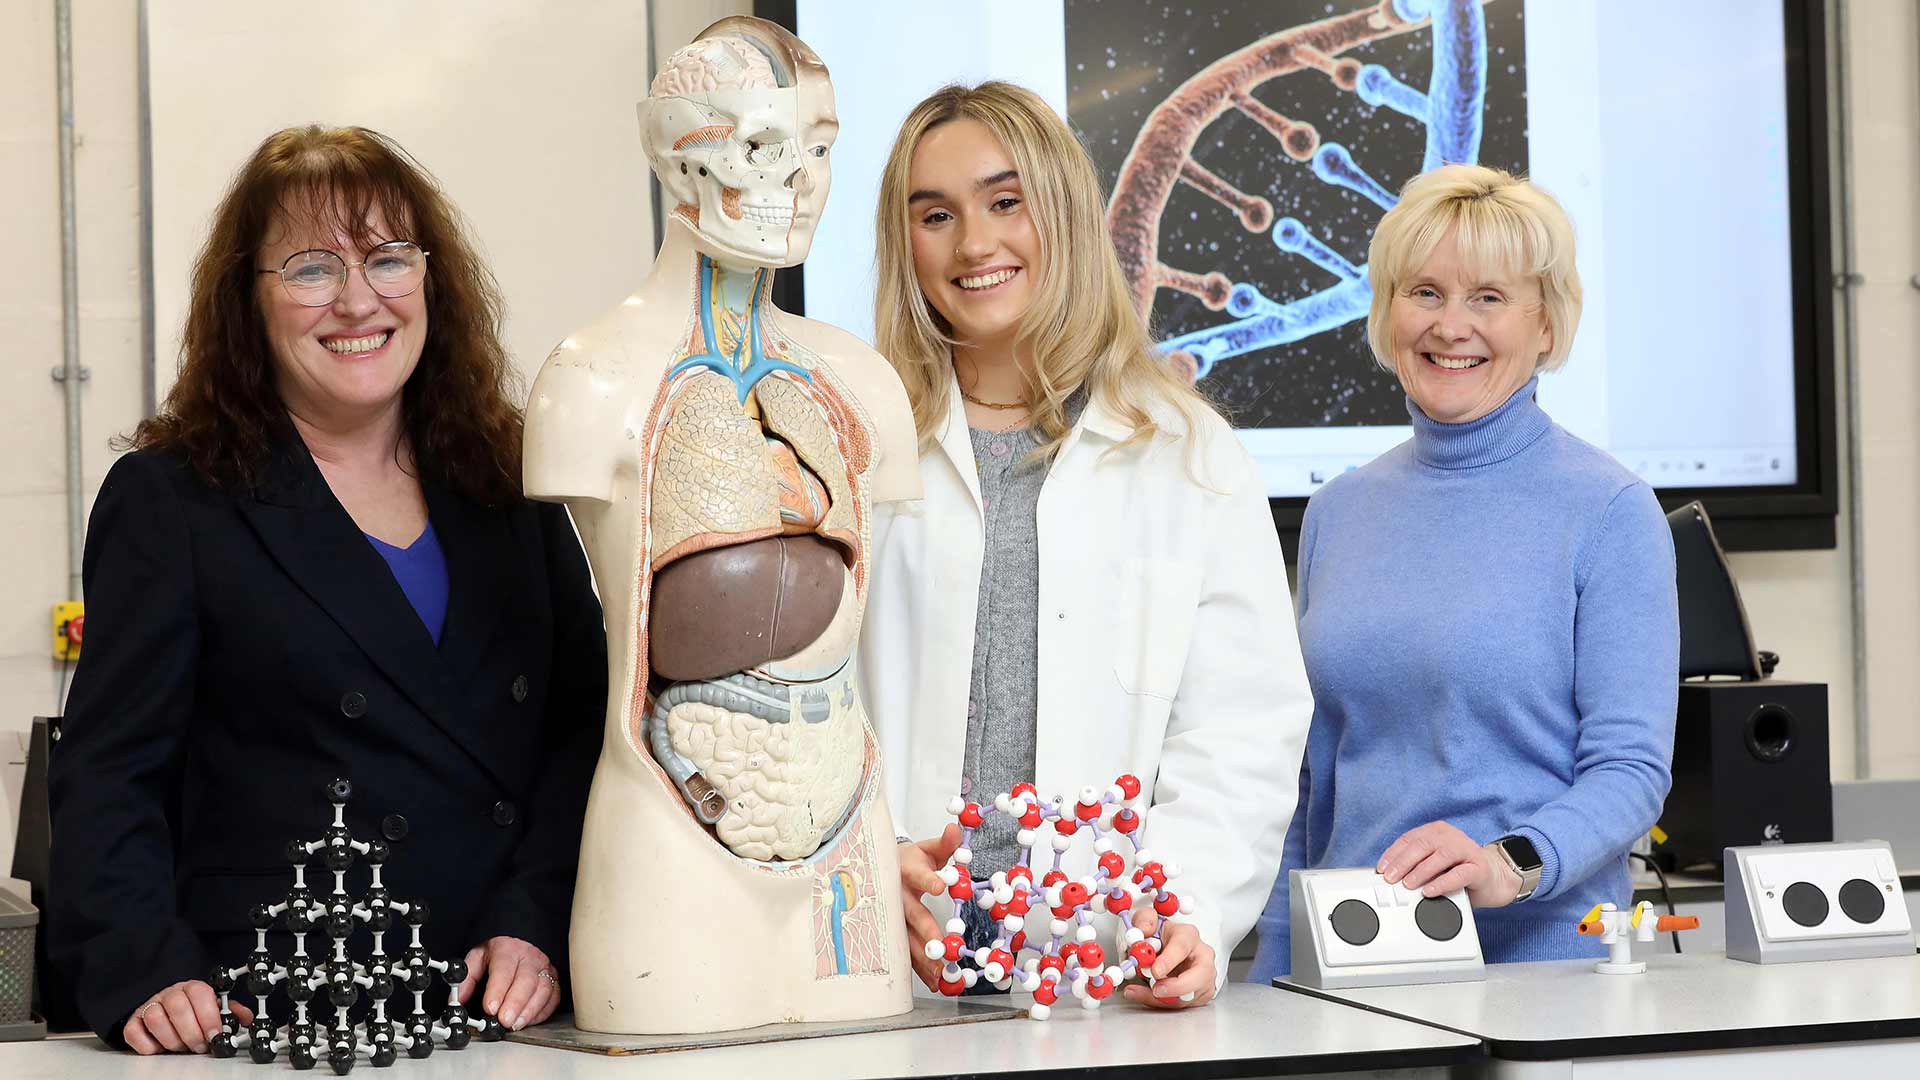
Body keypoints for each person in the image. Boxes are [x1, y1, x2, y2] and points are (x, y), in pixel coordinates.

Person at [47, 125, 607, 1053]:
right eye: (310, 268)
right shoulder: (173, 500)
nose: (358, 300)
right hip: (276, 1012)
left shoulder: (510, 481)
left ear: (431, 281)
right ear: (249, 303)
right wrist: (142, 961)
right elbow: (111, 771)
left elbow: (581, 733)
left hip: (503, 1009)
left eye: (389, 259)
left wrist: (537, 919)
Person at [859, 81, 1312, 1008]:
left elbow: (1241, 727)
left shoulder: (1186, 453)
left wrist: (1187, 907)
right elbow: (803, 711)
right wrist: (864, 863)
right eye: (935, 215)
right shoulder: (856, 447)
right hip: (899, 965)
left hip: (1107, 974)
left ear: (1062, 212)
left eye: (1005, 201)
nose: (975, 244)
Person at [1247, 164, 1678, 981]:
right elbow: (1306, 779)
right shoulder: (1340, 510)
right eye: (1425, 293)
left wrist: (1507, 863)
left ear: (1546, 325)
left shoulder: (1611, 511)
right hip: (1348, 973)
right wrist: (1275, 970)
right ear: (1386, 313)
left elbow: (1630, 773)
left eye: (1488, 297)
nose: (1452, 326)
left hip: (1541, 979)